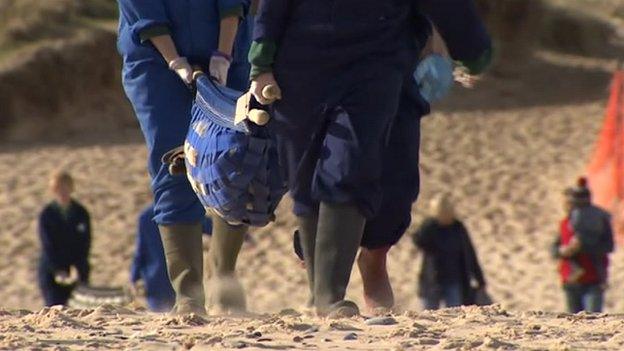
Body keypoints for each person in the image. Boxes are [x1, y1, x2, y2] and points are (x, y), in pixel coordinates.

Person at [290, 0, 491, 313]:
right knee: (332, 170)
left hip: (396, 71)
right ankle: (324, 293)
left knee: (396, 188)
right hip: (320, 72)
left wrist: (462, 49)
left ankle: (372, 260)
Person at [118, 0, 254, 314]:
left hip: (229, 46)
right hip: (153, 58)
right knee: (172, 163)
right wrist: (176, 62)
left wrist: (222, 54)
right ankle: (189, 293)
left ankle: (224, 277)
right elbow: (144, 14)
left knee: (235, 157)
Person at [130, 203, 213, 312]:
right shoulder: (180, 209)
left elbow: (140, 251)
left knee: (161, 315)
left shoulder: (145, 216)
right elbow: (209, 227)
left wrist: (134, 277)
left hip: (154, 276)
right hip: (180, 271)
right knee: (184, 309)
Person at [413, 194, 486, 310]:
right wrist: (429, 224)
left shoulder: (457, 228)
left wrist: (479, 279)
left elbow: (469, 253)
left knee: (455, 314)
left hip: (453, 280)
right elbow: (418, 240)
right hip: (431, 280)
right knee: (427, 316)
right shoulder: (430, 228)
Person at [552, 178, 614, 313]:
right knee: (573, 321)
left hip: (593, 279)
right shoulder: (564, 223)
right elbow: (554, 249)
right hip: (570, 280)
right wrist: (564, 251)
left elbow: (608, 246)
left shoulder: (600, 219)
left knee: (593, 319)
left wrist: (583, 246)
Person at [38, 170, 91, 306]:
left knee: (80, 309)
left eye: (65, 187)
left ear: (71, 188)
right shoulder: (47, 214)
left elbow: (85, 243)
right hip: (52, 270)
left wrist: (77, 267)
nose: (62, 191)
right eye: (58, 188)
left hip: (77, 270)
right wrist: (58, 270)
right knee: (55, 308)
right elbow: (47, 244)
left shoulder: (81, 212)